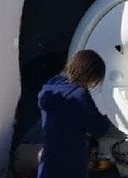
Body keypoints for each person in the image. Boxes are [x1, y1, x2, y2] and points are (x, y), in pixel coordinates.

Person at [37, 50, 111, 178]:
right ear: (90, 74)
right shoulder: (79, 95)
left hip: (48, 161)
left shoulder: (51, 87)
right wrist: (107, 116)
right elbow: (99, 128)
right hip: (71, 163)